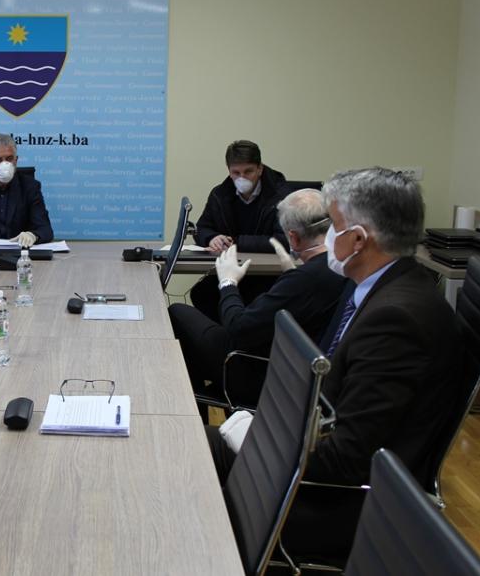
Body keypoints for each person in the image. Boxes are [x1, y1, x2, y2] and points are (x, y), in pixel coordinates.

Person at [208, 167, 462, 561]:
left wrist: (261, 444)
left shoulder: (397, 320)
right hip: (312, 444)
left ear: (358, 240)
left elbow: (346, 461)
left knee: (197, 488)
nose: (327, 237)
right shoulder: (380, 286)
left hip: (344, 503)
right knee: (195, 445)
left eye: (334, 226)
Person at [168, 189, 348, 408]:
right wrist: (291, 274)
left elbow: (238, 328)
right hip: (294, 368)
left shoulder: (305, 280)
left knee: (177, 312)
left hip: (258, 371)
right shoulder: (342, 266)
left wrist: (228, 283)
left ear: (292, 237)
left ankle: (193, 405)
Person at [190, 140, 290, 316]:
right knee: (201, 293)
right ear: (229, 171)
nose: (242, 177)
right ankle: (225, 333)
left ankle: (238, 330)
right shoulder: (220, 194)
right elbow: (203, 227)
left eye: (248, 171)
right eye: (236, 172)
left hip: (268, 274)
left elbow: (283, 240)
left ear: (260, 169)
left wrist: (236, 243)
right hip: (232, 270)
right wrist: (212, 238)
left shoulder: (282, 196)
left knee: (255, 300)